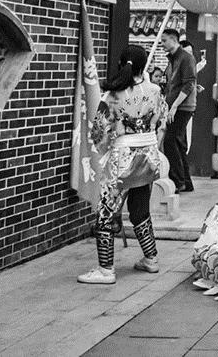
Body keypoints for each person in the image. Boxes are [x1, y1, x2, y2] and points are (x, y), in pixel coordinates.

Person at [78, 45, 166, 285]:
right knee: (140, 209)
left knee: (106, 212)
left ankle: (106, 269)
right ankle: (151, 258)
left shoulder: (113, 95)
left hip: (122, 161)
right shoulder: (155, 90)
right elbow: (161, 118)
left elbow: (98, 133)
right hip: (148, 157)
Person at [162, 29, 195, 193]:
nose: (162, 44)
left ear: (173, 40)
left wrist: (174, 106)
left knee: (170, 140)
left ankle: (178, 180)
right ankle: (186, 182)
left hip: (182, 106)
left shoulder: (186, 58)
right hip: (174, 105)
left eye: (164, 40)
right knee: (178, 143)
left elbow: (189, 84)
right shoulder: (173, 59)